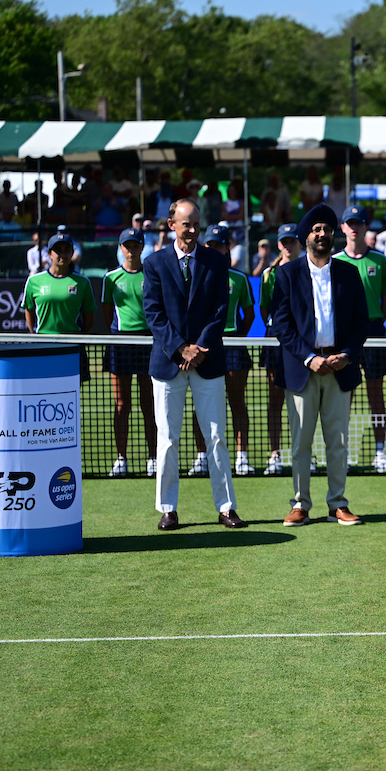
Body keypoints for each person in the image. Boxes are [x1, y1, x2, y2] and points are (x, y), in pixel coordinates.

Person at [141, 198, 246, 532]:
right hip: (169, 363)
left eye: (196, 224)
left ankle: (226, 507)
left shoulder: (216, 261)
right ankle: (168, 509)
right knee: (168, 439)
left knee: (216, 436)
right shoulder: (154, 263)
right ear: (171, 224)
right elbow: (153, 312)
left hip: (208, 360)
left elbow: (220, 310)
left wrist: (198, 347)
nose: (192, 230)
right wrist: (180, 348)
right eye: (186, 224)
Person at [269, 204, 367, 526]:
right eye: (316, 229)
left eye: (327, 229)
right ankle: (300, 504)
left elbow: (360, 323)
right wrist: (310, 358)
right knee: (300, 443)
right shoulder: (286, 274)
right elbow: (282, 325)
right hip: (302, 369)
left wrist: (347, 355)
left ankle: (338, 503)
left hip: (340, 367)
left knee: (337, 442)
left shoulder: (349, 273)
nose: (322, 234)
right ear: (306, 236)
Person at [188, 225, 257, 477]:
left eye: (219, 245)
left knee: (237, 402)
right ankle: (202, 456)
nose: (214, 249)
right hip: (204, 346)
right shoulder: (196, 273)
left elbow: (249, 313)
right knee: (201, 405)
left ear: (227, 248)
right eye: (210, 245)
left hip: (233, 347)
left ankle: (242, 457)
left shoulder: (238, 278)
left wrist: (237, 337)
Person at [333, 206, 386, 473]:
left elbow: (385, 297)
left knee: (376, 392)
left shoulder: (380, 261)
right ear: (343, 228)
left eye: (359, 223)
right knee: (344, 394)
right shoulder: (335, 260)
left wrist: (375, 323)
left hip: (373, 331)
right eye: (350, 223)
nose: (355, 227)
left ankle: (380, 452)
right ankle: (341, 451)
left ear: (366, 226)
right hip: (345, 332)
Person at [101, 227, 158, 478]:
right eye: (127, 245)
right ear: (121, 248)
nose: (131, 250)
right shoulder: (111, 278)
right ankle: (121, 458)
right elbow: (105, 313)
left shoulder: (153, 275)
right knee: (122, 404)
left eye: (135, 245)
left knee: (149, 404)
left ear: (142, 248)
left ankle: (154, 458)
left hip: (149, 343)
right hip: (120, 343)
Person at [21, 233, 94, 383]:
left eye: (66, 250)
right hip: (43, 344)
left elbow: (89, 317)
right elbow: (28, 309)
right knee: (43, 390)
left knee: (71, 393)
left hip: (72, 346)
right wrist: (35, 334)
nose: (62, 254)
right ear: (49, 254)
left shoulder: (83, 282)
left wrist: (78, 337)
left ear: (72, 252)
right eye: (58, 250)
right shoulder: (34, 281)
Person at [258, 223, 299, 476]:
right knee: (275, 400)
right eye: (284, 241)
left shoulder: (308, 269)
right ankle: (275, 453)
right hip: (275, 339)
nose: (287, 245)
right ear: (279, 244)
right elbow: (264, 309)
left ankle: (302, 453)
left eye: (292, 240)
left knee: (302, 401)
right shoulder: (268, 274)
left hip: (302, 340)